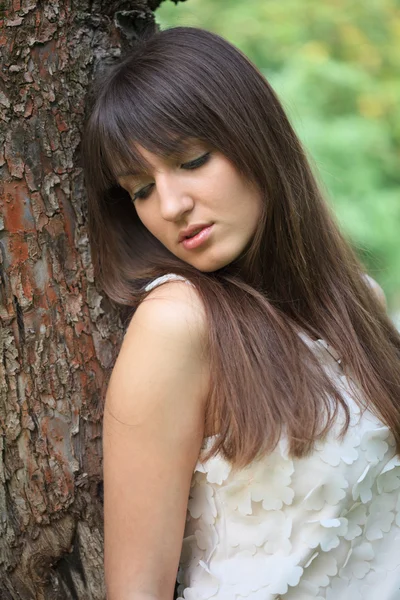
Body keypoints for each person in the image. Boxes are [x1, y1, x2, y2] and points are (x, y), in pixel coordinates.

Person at [82, 26, 400, 600]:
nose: (171, 206)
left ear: (256, 137)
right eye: (140, 190)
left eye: (192, 160)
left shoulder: (362, 304)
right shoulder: (178, 323)